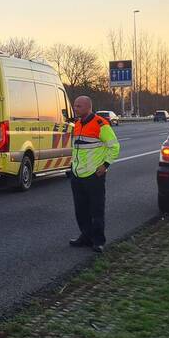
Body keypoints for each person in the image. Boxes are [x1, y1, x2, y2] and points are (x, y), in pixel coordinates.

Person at [68, 96, 120, 253]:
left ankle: (98, 241)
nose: (75, 108)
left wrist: (105, 165)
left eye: (78, 106)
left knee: (96, 210)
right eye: (75, 105)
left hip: (94, 175)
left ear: (88, 107)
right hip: (77, 174)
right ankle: (85, 237)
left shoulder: (101, 124)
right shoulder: (76, 124)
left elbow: (114, 146)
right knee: (81, 210)